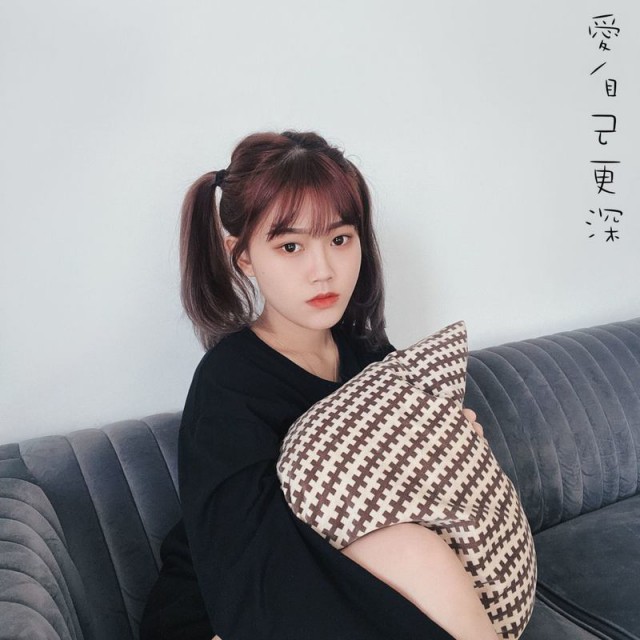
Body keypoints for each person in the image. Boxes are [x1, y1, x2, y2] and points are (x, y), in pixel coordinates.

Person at [140, 130, 492, 640]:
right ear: (242, 256)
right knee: (411, 551)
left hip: (332, 576)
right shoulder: (228, 384)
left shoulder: (367, 352)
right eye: (290, 246)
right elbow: (249, 568)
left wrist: (452, 438)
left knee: (414, 550)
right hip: (227, 607)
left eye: (340, 239)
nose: (323, 270)